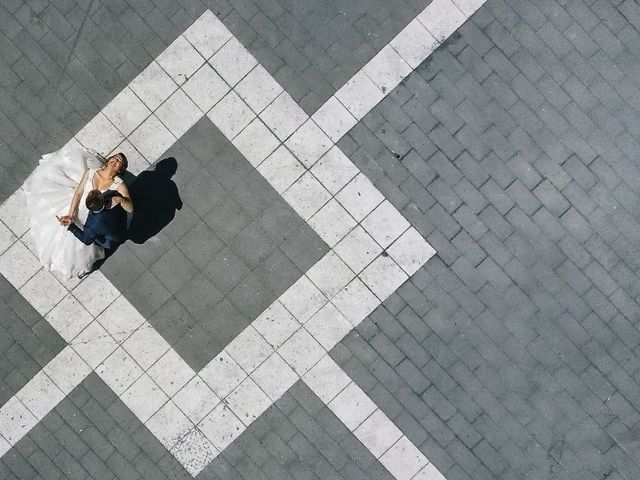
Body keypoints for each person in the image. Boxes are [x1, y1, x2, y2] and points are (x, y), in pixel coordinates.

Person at [23, 146, 133, 279]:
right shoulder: (91, 172)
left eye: (119, 161)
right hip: (80, 206)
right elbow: (79, 192)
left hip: (93, 216)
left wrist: (121, 199)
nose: (115, 160)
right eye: (114, 157)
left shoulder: (118, 185)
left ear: (121, 169)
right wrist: (71, 213)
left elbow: (130, 208)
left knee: (80, 242)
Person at [63, 189, 128, 277]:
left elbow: (87, 240)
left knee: (106, 253)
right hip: (122, 226)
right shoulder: (113, 196)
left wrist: (72, 227)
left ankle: (93, 266)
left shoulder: (91, 226)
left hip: (110, 241)